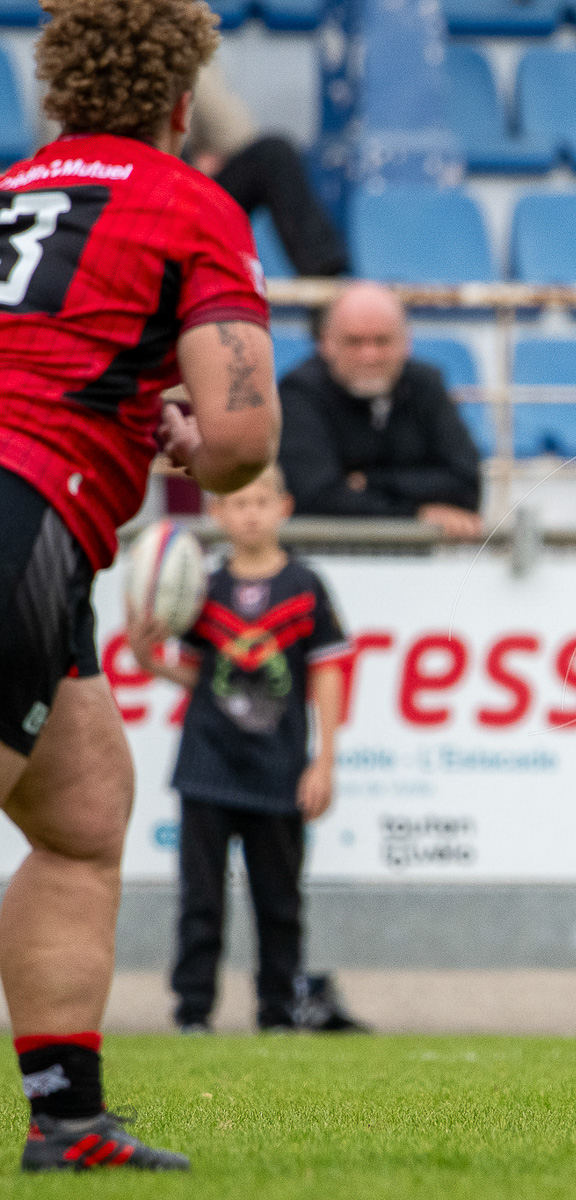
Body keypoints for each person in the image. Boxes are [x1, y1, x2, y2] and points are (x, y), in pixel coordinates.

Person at [0, 0, 280, 1171]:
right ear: (180, 103)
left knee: (81, 813)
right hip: (22, 510)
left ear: (60, 92)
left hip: (32, 517)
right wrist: (186, 435)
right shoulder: (189, 202)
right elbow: (244, 436)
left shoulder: (13, 188)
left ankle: (66, 1117)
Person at [126, 466, 365, 1035]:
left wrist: (324, 760)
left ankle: (279, 1014)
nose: (250, 513)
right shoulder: (202, 586)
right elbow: (199, 676)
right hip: (206, 764)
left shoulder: (306, 585)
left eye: (261, 501)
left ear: (284, 507)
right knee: (200, 900)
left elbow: (327, 674)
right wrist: (147, 659)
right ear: (216, 513)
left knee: (279, 902)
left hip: (279, 769)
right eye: (237, 503)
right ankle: (192, 1013)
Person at [277, 281, 484, 539]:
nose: (369, 355)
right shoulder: (299, 391)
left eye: (382, 341)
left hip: (423, 563)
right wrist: (416, 516)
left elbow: (465, 484)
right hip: (327, 556)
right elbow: (316, 499)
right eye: (354, 342)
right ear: (326, 343)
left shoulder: (426, 383)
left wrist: (371, 481)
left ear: (406, 342)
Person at [185, 64, 349, 279]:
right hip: (142, 185)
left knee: (273, 154)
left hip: (187, 188)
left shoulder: (185, 57)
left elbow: (236, 135)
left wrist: (192, 61)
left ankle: (327, 280)